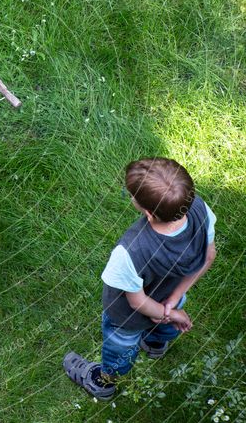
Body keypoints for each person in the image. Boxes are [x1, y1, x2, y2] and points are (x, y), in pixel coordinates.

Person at [63, 157, 217, 401]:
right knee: (164, 326)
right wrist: (174, 301)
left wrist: (168, 313)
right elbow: (209, 256)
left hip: (129, 317)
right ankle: (156, 345)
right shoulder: (200, 209)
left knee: (121, 346)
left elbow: (137, 302)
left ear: (147, 212)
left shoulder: (130, 251)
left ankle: (105, 383)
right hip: (171, 294)